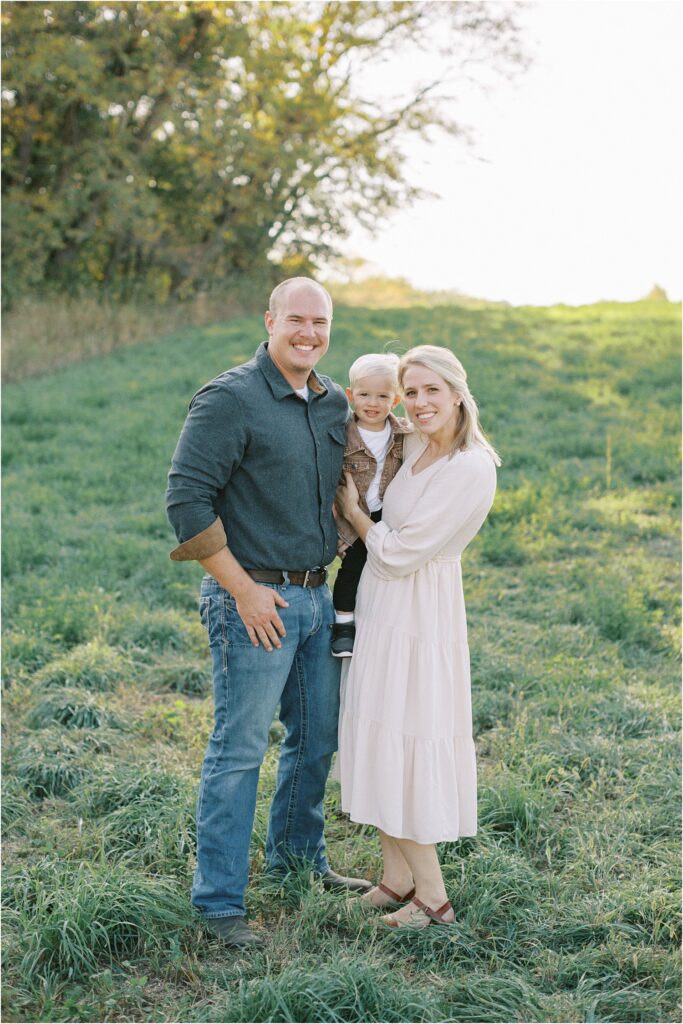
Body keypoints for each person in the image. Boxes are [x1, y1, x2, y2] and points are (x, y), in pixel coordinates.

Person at [166, 277, 371, 948]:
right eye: (296, 321)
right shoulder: (230, 399)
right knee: (239, 751)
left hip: (317, 596)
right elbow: (187, 501)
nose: (308, 333)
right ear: (269, 321)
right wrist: (241, 591)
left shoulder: (332, 400)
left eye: (320, 322)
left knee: (316, 742)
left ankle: (296, 859)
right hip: (253, 601)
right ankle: (218, 903)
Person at [335, 344, 499, 929]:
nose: (421, 402)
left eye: (434, 389)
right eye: (413, 391)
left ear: (458, 392)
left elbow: (401, 552)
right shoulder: (417, 446)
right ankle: (396, 876)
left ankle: (434, 899)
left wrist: (355, 516)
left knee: (405, 736)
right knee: (374, 728)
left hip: (420, 610)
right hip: (381, 605)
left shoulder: (471, 466)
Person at [331, 352, 413, 657]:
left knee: (382, 567)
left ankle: (379, 622)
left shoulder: (403, 433)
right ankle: (343, 624)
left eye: (382, 396)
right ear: (351, 395)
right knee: (352, 566)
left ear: (395, 400)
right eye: (364, 394)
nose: (372, 403)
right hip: (352, 513)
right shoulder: (341, 434)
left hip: (385, 512)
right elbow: (327, 471)